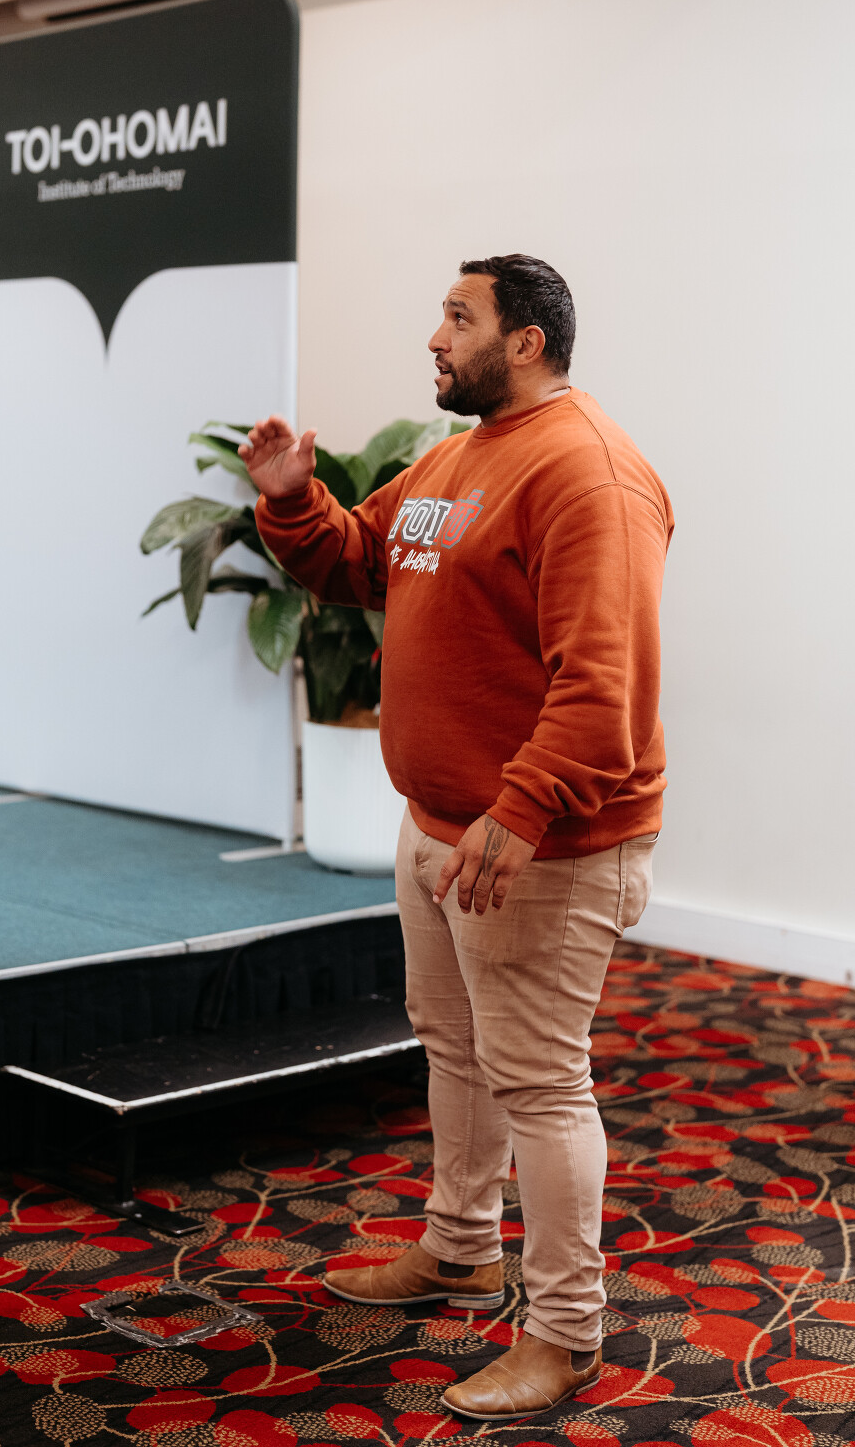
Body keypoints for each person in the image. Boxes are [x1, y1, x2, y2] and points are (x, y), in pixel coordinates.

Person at [241, 253, 673, 1423]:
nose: (433, 337)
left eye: (456, 316)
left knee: (540, 1081)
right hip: (439, 825)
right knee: (454, 1048)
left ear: (525, 340)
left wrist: (520, 808)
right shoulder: (451, 458)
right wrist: (292, 500)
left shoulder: (586, 471)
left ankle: (565, 1332)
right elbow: (360, 562)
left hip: (538, 846)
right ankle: (459, 1246)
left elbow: (604, 682)